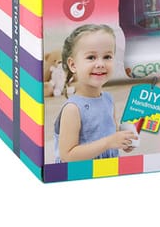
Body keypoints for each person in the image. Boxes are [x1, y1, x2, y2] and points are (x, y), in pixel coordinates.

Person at [54, 24, 136, 162]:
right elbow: (67, 156)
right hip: (82, 172)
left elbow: (111, 133)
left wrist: (123, 141)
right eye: (91, 57)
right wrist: (108, 142)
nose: (100, 64)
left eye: (107, 56)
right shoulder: (73, 109)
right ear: (73, 65)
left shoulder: (108, 99)